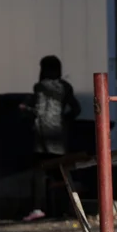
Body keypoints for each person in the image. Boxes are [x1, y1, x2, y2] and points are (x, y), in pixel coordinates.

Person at [21, 55, 81, 222]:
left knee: (40, 173)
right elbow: (76, 109)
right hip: (59, 136)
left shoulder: (40, 87)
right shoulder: (66, 87)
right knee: (61, 172)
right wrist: (63, 120)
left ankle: (38, 208)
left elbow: (40, 111)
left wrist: (26, 108)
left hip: (42, 136)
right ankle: (66, 208)